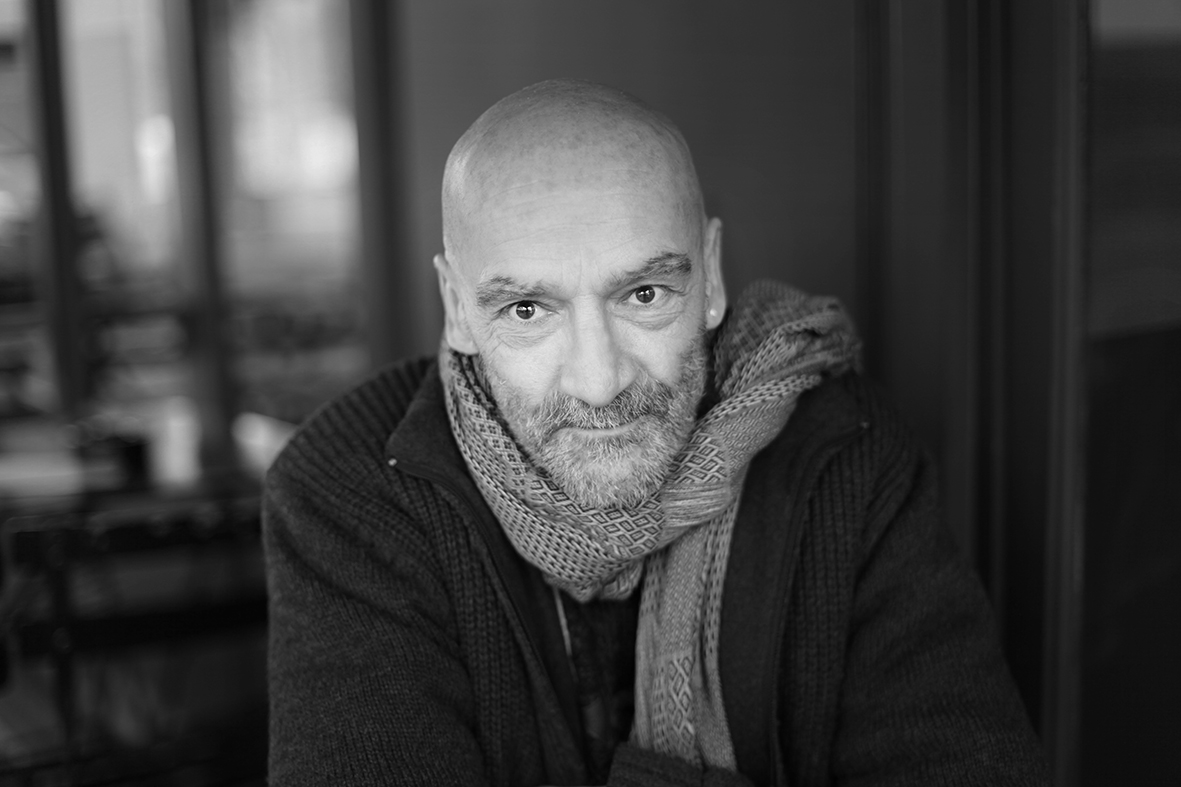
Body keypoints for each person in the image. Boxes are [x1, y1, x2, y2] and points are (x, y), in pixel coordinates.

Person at [262, 79, 1049, 786]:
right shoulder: (349, 491)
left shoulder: (846, 452)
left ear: (709, 275)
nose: (598, 380)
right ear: (457, 308)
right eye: (528, 310)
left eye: (643, 294)